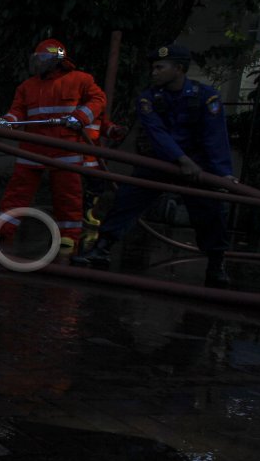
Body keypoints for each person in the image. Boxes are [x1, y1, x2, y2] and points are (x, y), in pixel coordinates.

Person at [72, 44, 236, 287]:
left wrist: (224, 174)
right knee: (128, 199)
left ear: (179, 69)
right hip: (163, 161)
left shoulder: (206, 97)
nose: (154, 72)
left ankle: (216, 264)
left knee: (211, 212)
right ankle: (102, 248)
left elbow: (215, 137)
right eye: (153, 67)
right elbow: (157, 134)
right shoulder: (148, 98)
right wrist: (181, 160)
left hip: (197, 167)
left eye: (160, 67)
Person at [0, 38, 106, 251]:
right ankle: (3, 229)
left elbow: (98, 99)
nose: (37, 64)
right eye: (35, 59)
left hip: (65, 149)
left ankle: (69, 235)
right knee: (17, 192)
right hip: (32, 148)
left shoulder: (80, 79)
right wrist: (8, 122)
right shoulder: (27, 86)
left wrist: (80, 117)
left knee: (68, 195)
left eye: (41, 59)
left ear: (55, 60)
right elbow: (17, 111)